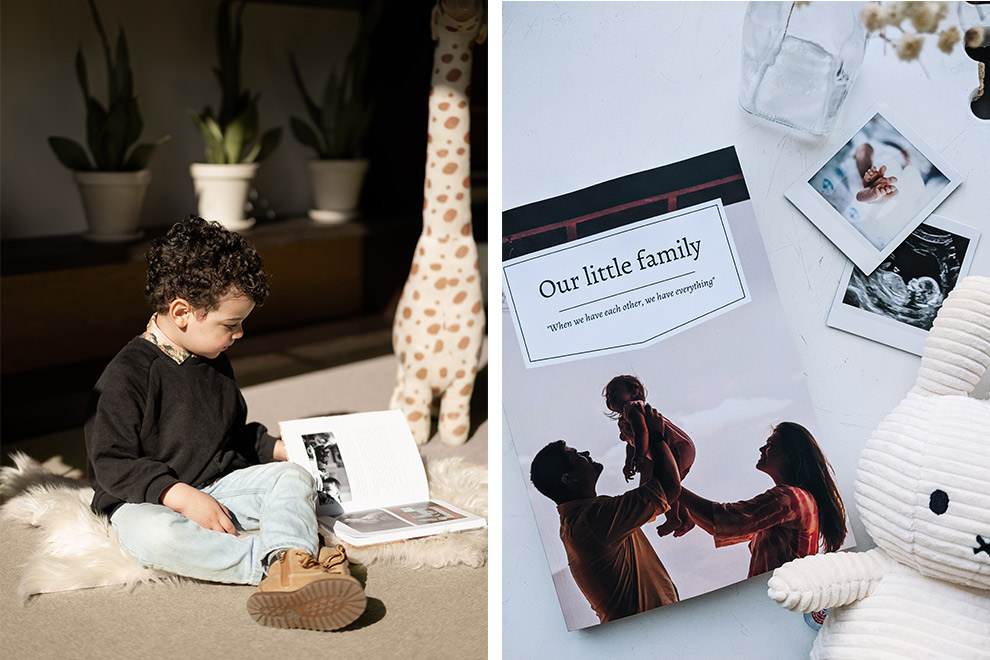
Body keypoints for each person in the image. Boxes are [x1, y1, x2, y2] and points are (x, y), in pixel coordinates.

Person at [84, 215, 365, 631]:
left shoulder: (214, 361)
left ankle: (292, 557)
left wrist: (275, 448)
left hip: (220, 487)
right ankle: (269, 569)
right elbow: (110, 462)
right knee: (151, 537)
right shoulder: (126, 376)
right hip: (147, 500)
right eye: (230, 324)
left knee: (291, 477)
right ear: (182, 312)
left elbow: (232, 431)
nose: (239, 334)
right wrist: (178, 495)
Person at [529, 417, 681, 624]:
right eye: (576, 456)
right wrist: (654, 434)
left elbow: (650, 492)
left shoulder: (583, 520)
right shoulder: (594, 519)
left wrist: (638, 444)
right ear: (568, 479)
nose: (586, 454)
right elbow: (668, 488)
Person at [677, 422, 846, 578]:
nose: (761, 448)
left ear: (789, 455)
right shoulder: (797, 500)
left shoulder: (789, 498)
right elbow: (720, 525)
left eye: (770, 445)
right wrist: (680, 500)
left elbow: (725, 520)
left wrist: (673, 487)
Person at [603, 375, 696, 536]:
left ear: (634, 392)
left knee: (663, 485)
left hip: (675, 447)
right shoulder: (624, 420)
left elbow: (642, 431)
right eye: (608, 394)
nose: (611, 396)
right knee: (665, 485)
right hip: (671, 449)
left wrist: (639, 456)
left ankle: (674, 518)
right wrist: (628, 462)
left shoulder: (633, 407)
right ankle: (684, 518)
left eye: (615, 391)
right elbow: (631, 443)